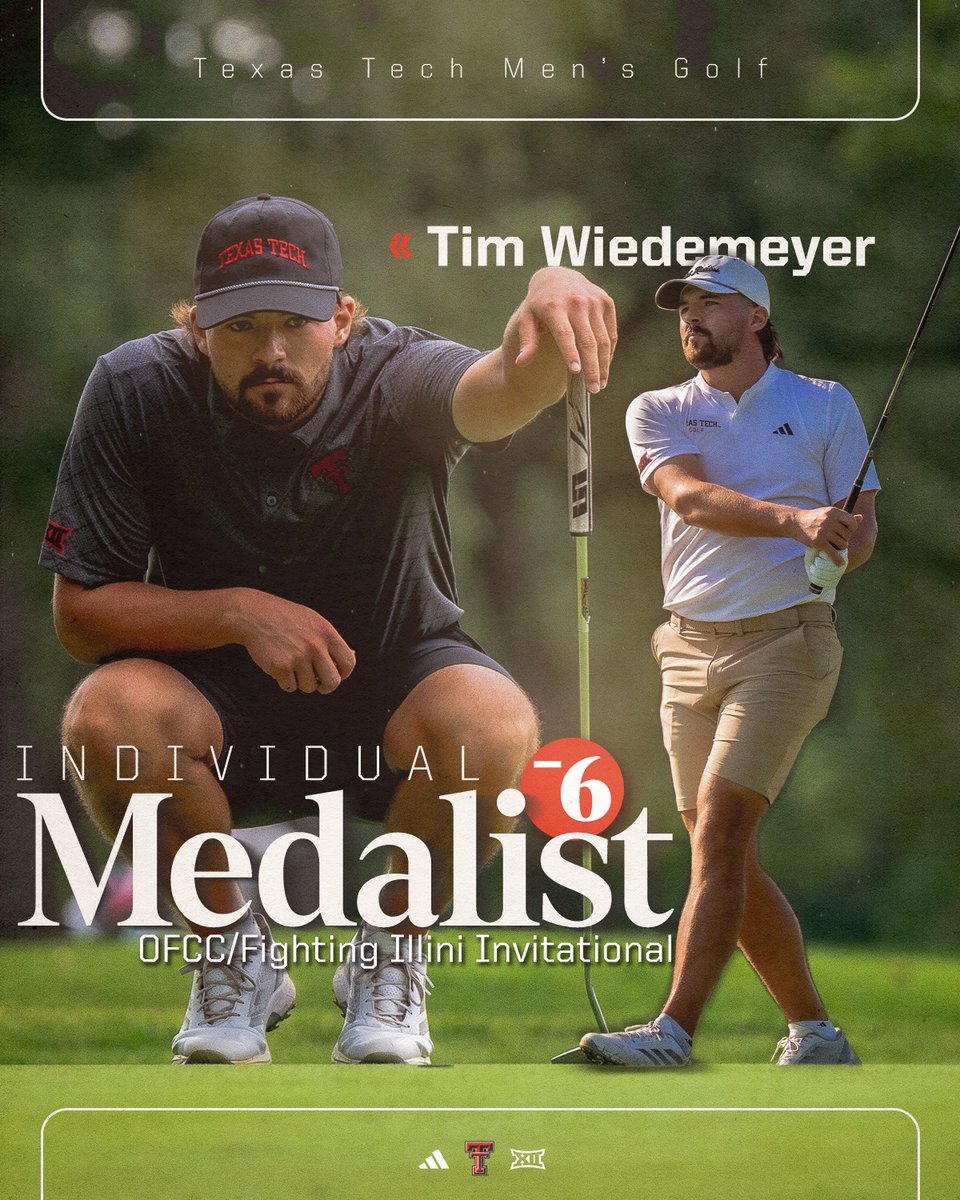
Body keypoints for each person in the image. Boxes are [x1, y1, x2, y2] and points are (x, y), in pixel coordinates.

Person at [41, 194, 617, 1066]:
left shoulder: (400, 372)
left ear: (343, 318)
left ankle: (388, 962)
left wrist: (547, 298)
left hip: (394, 688)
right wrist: (238, 612)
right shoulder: (134, 387)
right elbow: (81, 613)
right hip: (216, 698)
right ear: (197, 328)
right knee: (105, 717)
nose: (272, 351)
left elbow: (503, 392)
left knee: (495, 723)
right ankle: (234, 961)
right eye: (241, 328)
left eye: (296, 323)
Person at [580, 255, 877, 1067]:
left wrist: (838, 552)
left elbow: (863, 532)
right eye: (684, 306)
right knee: (724, 850)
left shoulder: (824, 405)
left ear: (755, 317)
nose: (690, 318)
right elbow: (689, 499)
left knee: (720, 835)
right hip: (685, 648)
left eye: (709, 304)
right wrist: (797, 524)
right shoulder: (660, 408)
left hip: (788, 644)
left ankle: (671, 1031)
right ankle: (816, 1034)